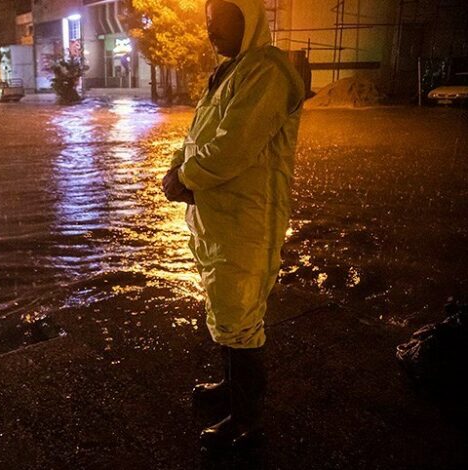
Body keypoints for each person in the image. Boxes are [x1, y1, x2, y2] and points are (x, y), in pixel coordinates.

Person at [161, 0, 305, 453]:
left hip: (248, 218)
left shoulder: (268, 71)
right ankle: (230, 390)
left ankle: (247, 424)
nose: (210, 32)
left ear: (249, 21)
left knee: (241, 318)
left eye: (220, 21)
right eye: (207, 23)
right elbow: (198, 136)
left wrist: (183, 177)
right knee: (224, 309)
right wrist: (176, 167)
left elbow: (232, 146)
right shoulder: (231, 71)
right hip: (217, 215)